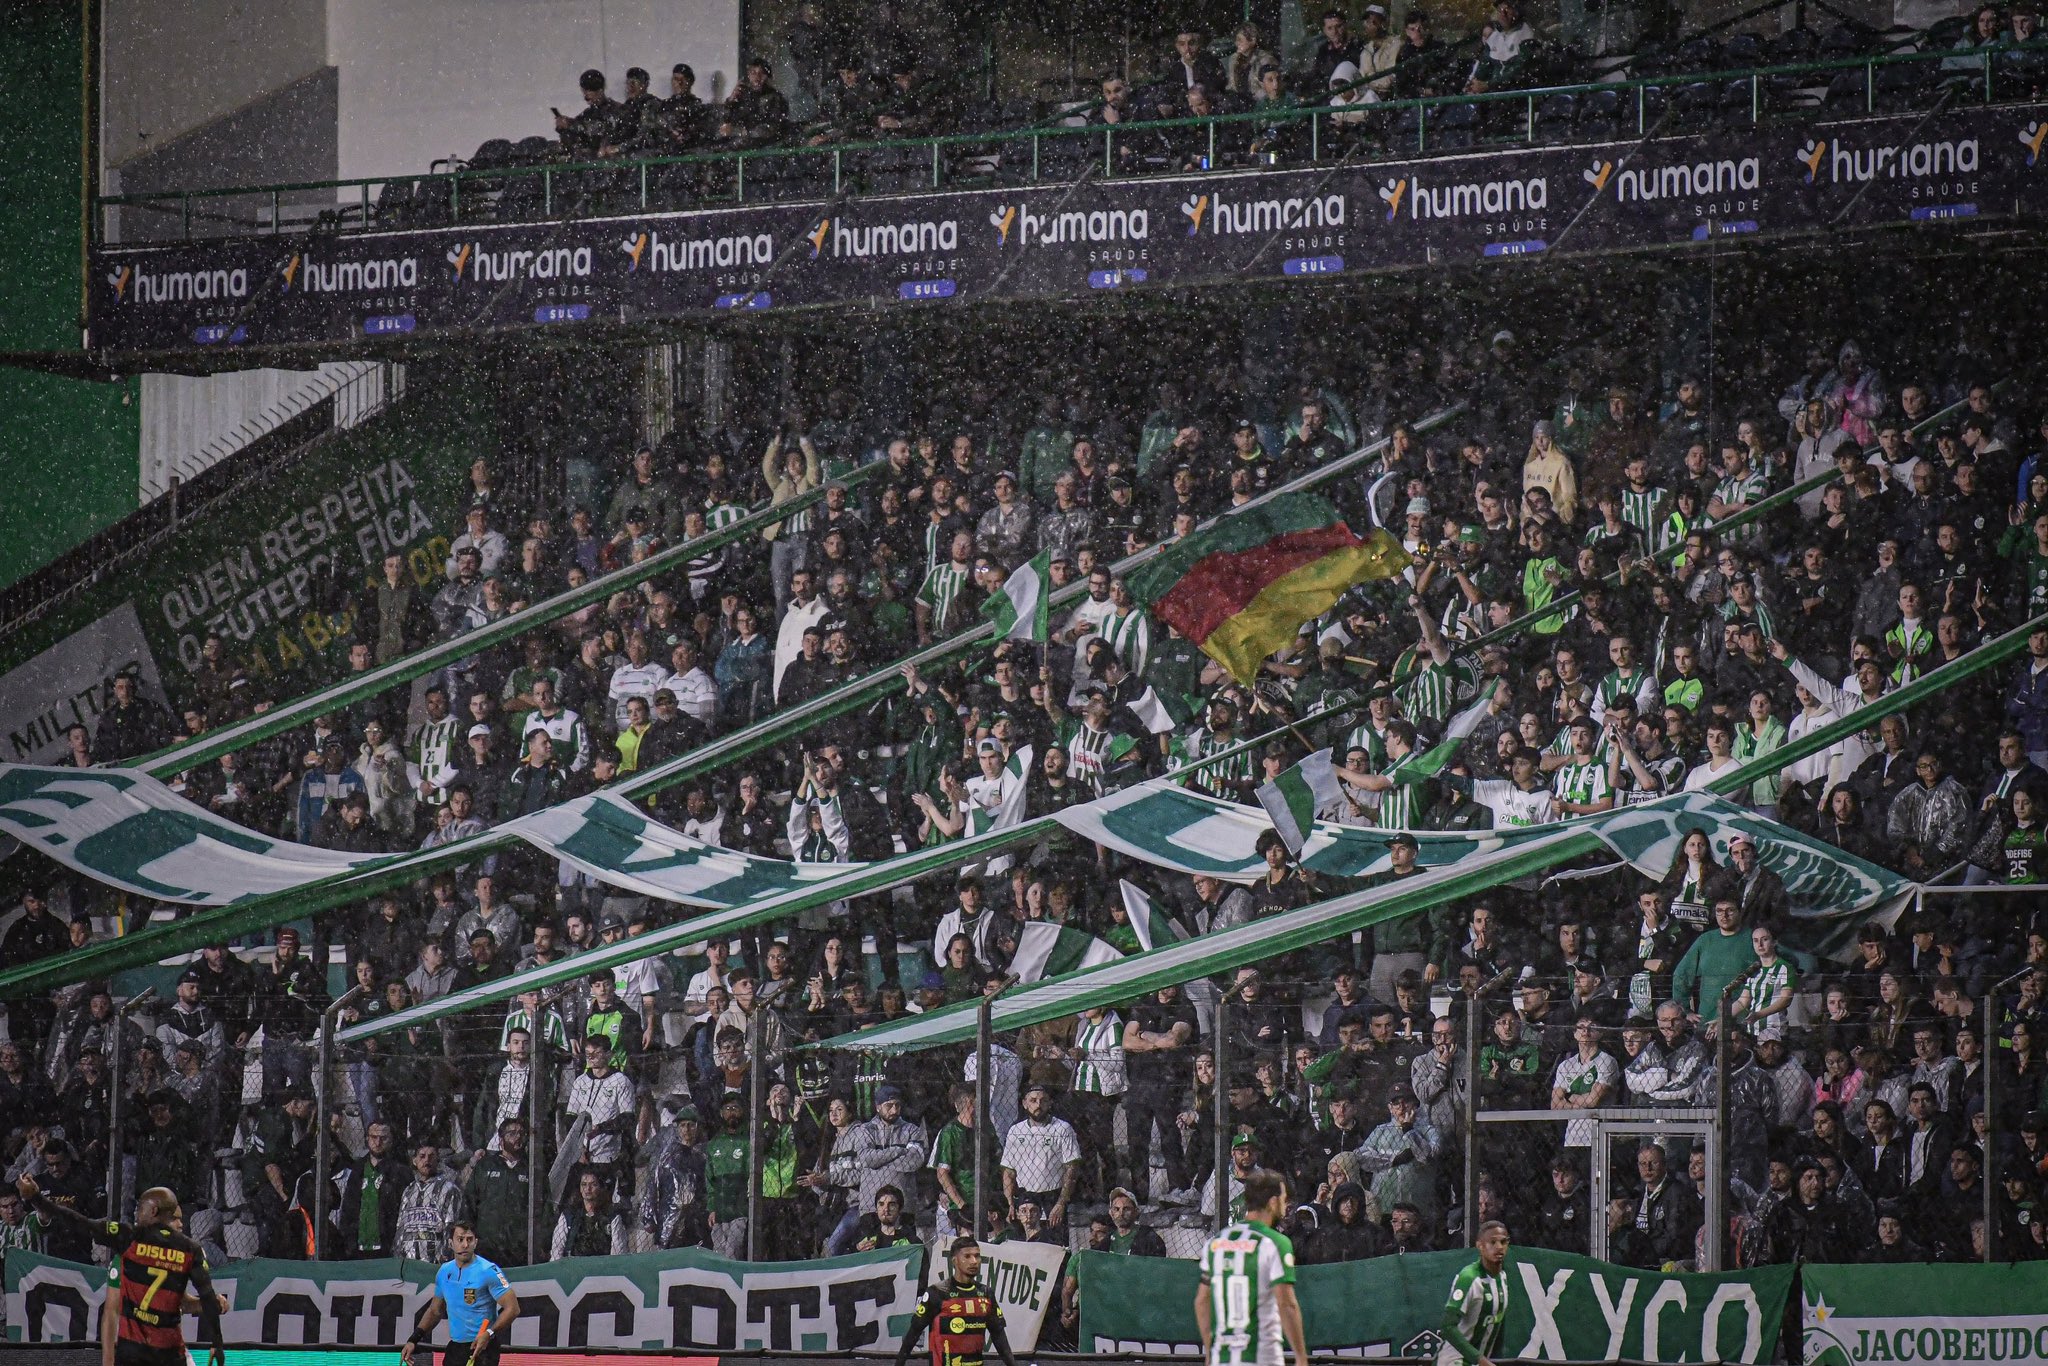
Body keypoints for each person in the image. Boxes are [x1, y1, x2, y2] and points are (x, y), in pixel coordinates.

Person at [18, 1174, 225, 1366]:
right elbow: (198, 1297)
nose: (137, 1213)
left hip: (133, 1352)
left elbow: (79, 1221)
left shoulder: (129, 1240)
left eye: (140, 1208)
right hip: (168, 1352)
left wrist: (37, 1199)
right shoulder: (189, 1250)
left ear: (153, 1211)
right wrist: (217, 1338)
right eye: (176, 1218)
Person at [1195, 1167, 1309, 1366]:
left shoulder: (1216, 1243)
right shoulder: (1275, 1243)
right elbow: (1287, 1304)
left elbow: (1202, 1302)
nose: (1285, 1203)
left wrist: (1210, 1352)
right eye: (1283, 1198)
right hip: (1262, 1357)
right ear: (1273, 1202)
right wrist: (1301, 1356)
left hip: (1221, 1359)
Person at [403, 1221, 520, 1366]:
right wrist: (413, 1340)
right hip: (456, 1348)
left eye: (469, 1239)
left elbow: (513, 1308)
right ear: (451, 1243)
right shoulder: (444, 1272)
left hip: (483, 1348)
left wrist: (489, 1334)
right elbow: (435, 1311)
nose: (465, 1245)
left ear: (475, 1243)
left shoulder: (489, 1271)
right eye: (460, 1239)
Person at [892, 1236, 1020, 1366]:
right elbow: (914, 1331)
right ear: (955, 1260)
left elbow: (999, 1336)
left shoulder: (986, 1294)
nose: (974, 1261)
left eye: (977, 1256)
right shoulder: (937, 1292)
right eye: (967, 1256)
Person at [1437, 1221, 1511, 1366]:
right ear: (1480, 1246)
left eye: (1503, 1242)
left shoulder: (1502, 1277)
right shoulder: (1469, 1278)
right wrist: (1480, 1359)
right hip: (1455, 1361)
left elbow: (1498, 1323)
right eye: (1492, 1242)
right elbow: (1447, 1327)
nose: (1499, 1247)